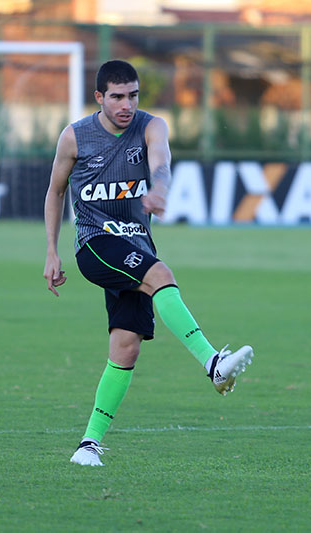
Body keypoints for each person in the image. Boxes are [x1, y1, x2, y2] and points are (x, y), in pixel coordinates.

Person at [43, 60, 253, 467]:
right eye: (117, 96)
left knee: (126, 348)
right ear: (99, 97)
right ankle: (213, 362)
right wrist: (52, 251)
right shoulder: (75, 137)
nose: (126, 104)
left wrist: (159, 188)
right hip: (96, 245)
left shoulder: (151, 126)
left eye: (133, 95)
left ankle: (88, 445)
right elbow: (55, 192)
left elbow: (161, 162)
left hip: (135, 245)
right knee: (161, 275)